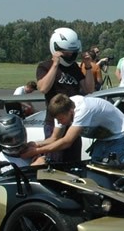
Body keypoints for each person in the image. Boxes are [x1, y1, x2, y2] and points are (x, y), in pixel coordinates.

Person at [23, 93, 124, 167]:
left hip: (119, 136)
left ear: (71, 112)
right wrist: (36, 144)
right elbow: (54, 138)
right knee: (96, 169)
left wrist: (36, 151)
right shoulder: (62, 110)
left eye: (61, 119)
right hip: (102, 138)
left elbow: (67, 142)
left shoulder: (83, 109)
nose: (60, 122)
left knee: (118, 171)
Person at [36, 27, 94, 163]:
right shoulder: (45, 66)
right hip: (55, 120)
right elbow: (43, 88)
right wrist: (55, 65)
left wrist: (88, 67)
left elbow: (89, 89)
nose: (69, 55)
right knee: (55, 159)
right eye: (66, 53)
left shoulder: (74, 68)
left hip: (74, 121)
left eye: (71, 53)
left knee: (73, 161)